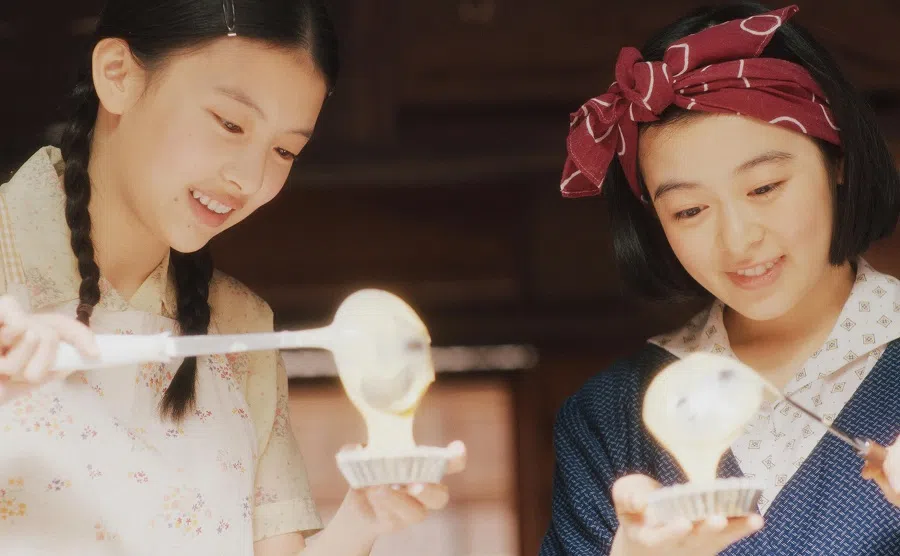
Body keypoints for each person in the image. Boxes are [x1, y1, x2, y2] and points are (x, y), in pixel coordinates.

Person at [0, 0, 466, 554]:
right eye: (229, 123)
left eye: (285, 149)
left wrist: (362, 518)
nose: (249, 177)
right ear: (118, 75)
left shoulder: (242, 326)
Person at [540, 2, 900, 555]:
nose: (737, 241)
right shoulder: (609, 417)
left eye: (763, 188)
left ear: (838, 160)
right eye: (689, 211)